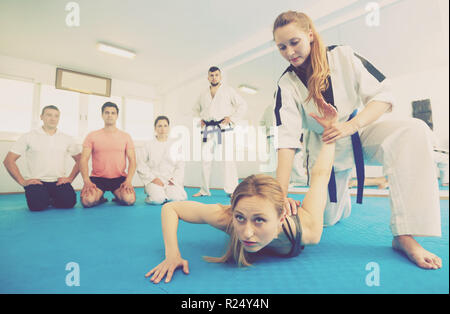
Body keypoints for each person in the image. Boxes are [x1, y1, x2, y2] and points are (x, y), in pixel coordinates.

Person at [273, 11, 442, 270]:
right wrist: (278, 198)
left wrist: (350, 126)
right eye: (281, 47)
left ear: (310, 34)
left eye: (294, 42)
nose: (289, 51)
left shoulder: (343, 55)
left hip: (357, 131)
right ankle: (342, 198)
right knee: (327, 221)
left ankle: (405, 235)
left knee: (412, 130)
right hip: (323, 147)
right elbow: (286, 140)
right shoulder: (287, 83)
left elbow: (383, 96)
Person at [145, 102, 337, 284]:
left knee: (334, 215)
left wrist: (330, 131)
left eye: (259, 220)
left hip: (319, 204)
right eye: (240, 218)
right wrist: (172, 255)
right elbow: (171, 208)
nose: (246, 233)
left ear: (281, 217)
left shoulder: (309, 230)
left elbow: (321, 176)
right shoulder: (227, 218)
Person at [3, 105, 80, 211]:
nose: (53, 118)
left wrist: (70, 178)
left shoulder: (67, 138)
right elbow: (8, 161)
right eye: (49, 115)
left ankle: (50, 198)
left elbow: (80, 160)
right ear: (41, 117)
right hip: (37, 182)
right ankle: (45, 198)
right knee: (36, 206)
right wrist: (23, 182)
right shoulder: (28, 136)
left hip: (58, 181)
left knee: (69, 203)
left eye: (56, 116)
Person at [192, 66, 247, 197]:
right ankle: (204, 190)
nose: (214, 77)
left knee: (228, 159)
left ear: (220, 77)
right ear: (208, 77)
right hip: (208, 129)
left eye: (216, 75)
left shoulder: (228, 90)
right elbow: (195, 109)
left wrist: (232, 118)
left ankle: (232, 190)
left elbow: (242, 105)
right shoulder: (203, 94)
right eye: (211, 75)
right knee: (205, 160)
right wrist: (199, 120)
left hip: (223, 128)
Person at [79, 102, 136, 207]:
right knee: (87, 201)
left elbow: (132, 160)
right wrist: (86, 180)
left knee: (129, 200)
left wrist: (128, 180)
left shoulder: (126, 136)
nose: (110, 115)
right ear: (102, 115)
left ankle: (118, 197)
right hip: (98, 178)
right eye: (107, 112)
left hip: (119, 178)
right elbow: (83, 159)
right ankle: (100, 198)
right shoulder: (92, 135)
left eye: (113, 113)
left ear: (117, 116)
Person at [137, 116, 187, 205]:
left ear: (168, 128)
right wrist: (153, 179)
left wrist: (174, 179)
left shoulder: (175, 145)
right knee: (158, 200)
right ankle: (152, 196)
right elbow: (141, 165)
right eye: (159, 126)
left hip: (170, 180)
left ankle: (166, 194)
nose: (162, 129)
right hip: (155, 179)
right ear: (155, 128)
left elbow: (180, 165)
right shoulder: (148, 145)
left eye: (165, 126)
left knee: (175, 199)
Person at [259, 103, 308, 187]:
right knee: (294, 159)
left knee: (275, 160)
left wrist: (267, 132)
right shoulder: (288, 105)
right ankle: (298, 179)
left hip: (272, 136)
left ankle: (275, 181)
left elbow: (261, 123)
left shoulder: (269, 107)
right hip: (286, 135)